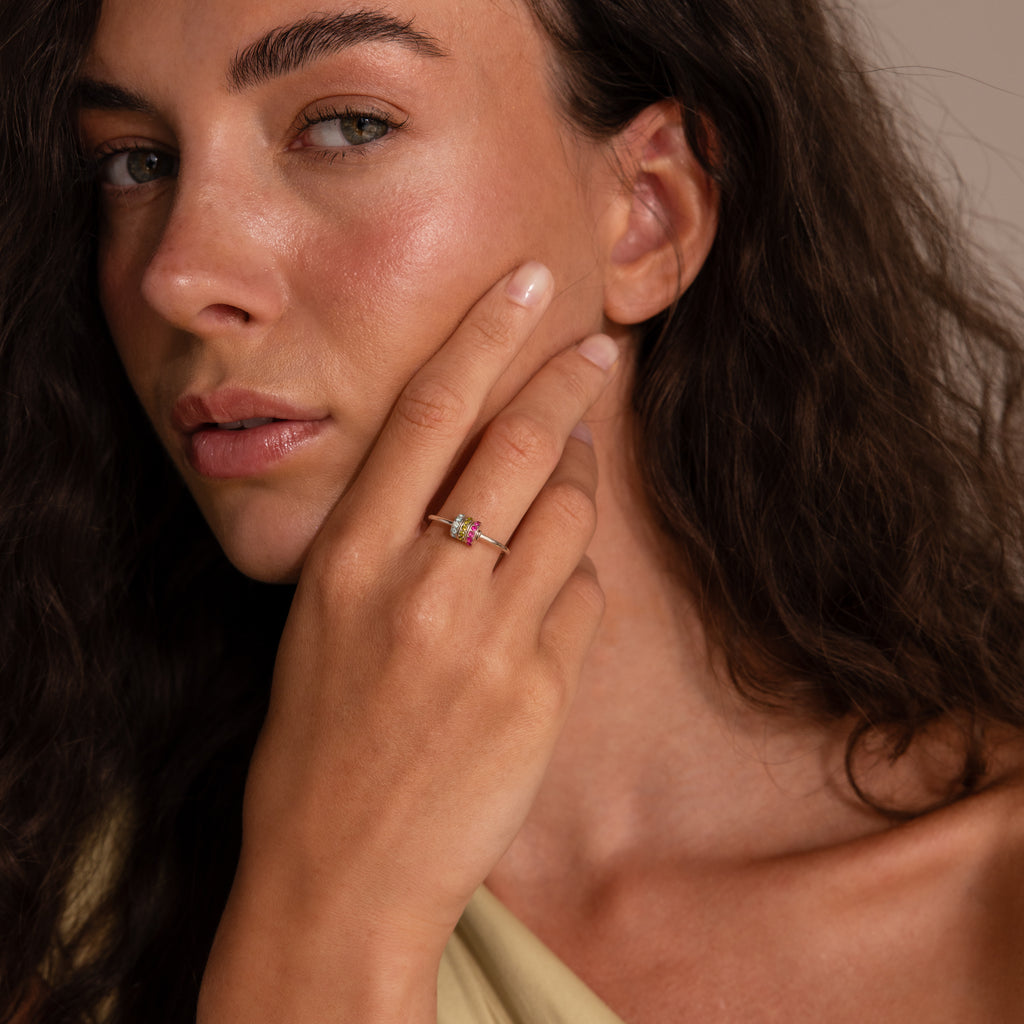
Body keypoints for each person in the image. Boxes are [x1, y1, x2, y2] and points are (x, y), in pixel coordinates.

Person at [2, 0, 1023, 1020]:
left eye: (348, 125)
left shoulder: (993, 909)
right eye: (133, 161)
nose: (177, 274)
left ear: (650, 211)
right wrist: (330, 908)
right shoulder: (52, 901)